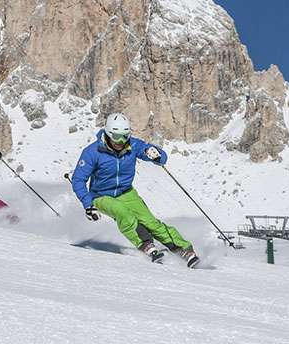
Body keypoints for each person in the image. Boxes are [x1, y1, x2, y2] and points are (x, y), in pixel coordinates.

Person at [71, 112, 199, 267]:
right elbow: (78, 180)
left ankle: (183, 249)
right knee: (121, 211)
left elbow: (157, 155)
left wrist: (155, 154)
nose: (120, 141)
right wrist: (88, 204)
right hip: (100, 195)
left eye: (125, 136)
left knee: (150, 222)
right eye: (116, 136)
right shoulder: (92, 152)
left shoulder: (132, 145)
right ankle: (145, 244)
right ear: (107, 133)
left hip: (126, 192)